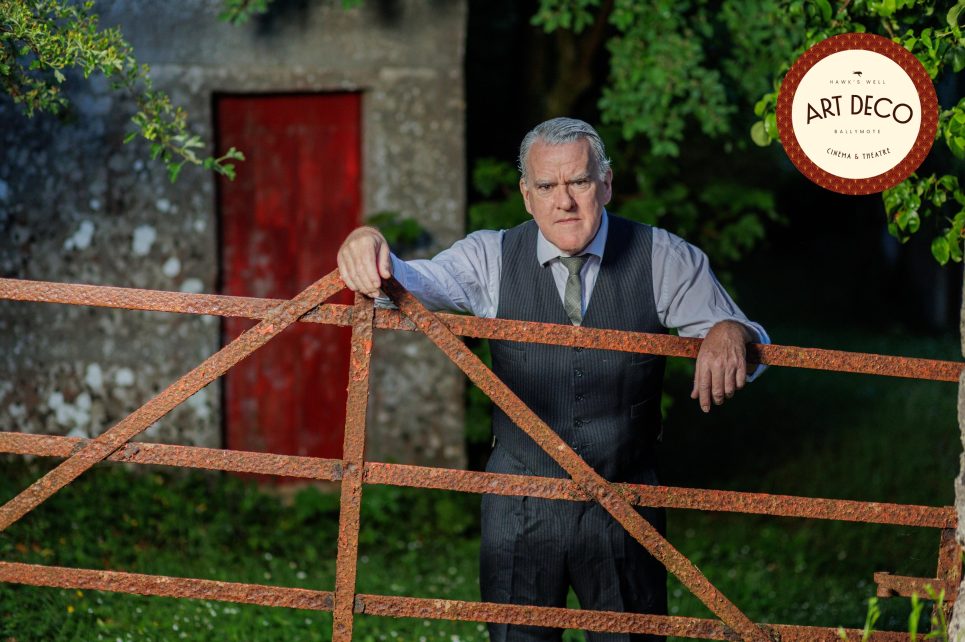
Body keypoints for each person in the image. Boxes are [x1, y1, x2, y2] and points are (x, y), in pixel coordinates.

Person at [337, 117, 769, 642]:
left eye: (579, 182)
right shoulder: (489, 256)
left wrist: (729, 328)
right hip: (520, 502)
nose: (564, 201)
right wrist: (367, 243)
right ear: (526, 195)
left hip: (625, 499)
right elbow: (406, 283)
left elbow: (747, 339)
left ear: (606, 184)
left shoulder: (663, 257)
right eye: (547, 186)